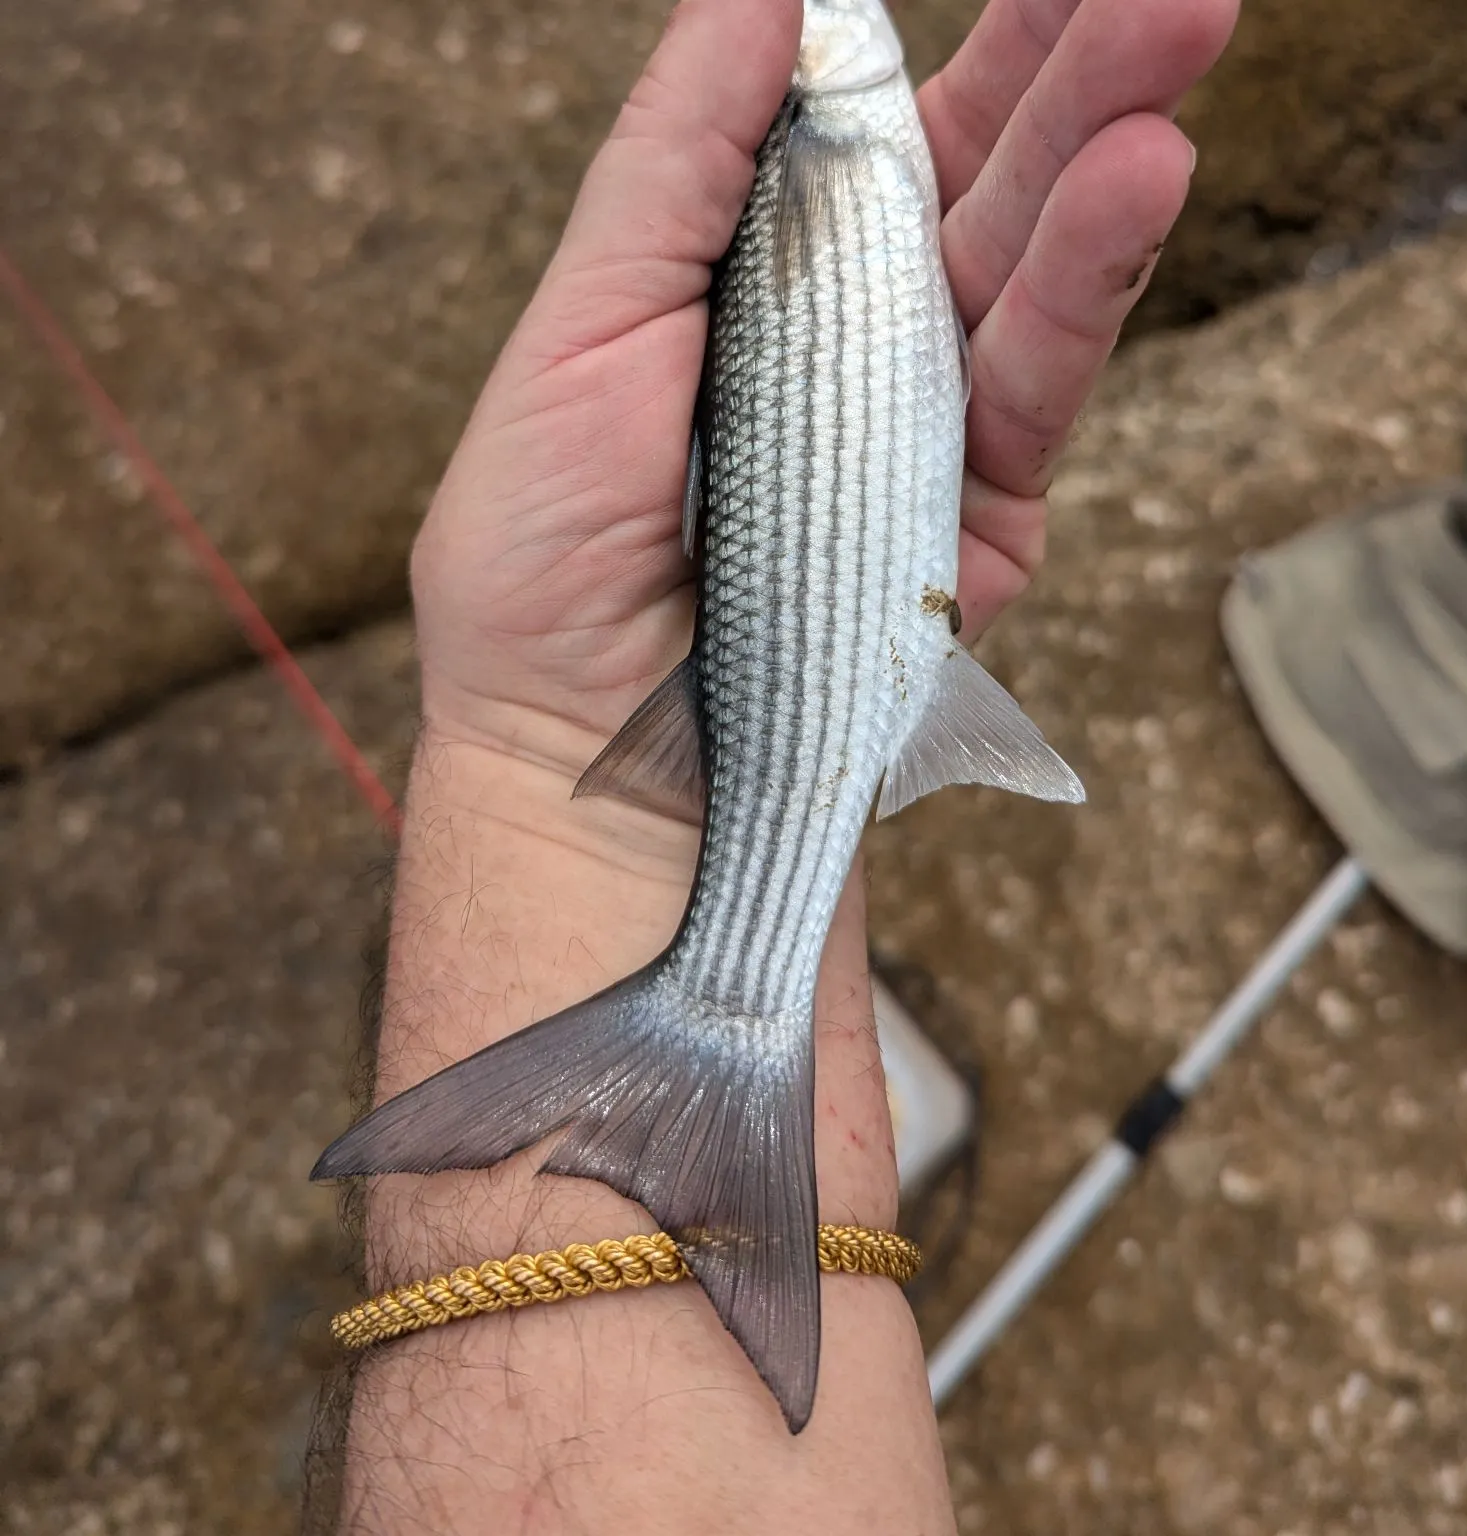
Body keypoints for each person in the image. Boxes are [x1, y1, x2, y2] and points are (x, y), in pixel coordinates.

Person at [328, 0, 1237, 1529]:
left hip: (830, 617)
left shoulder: (822, 143)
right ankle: (713, 1042)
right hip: (827, 621)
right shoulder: (819, 129)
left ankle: (705, 1053)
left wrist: (518, 766)